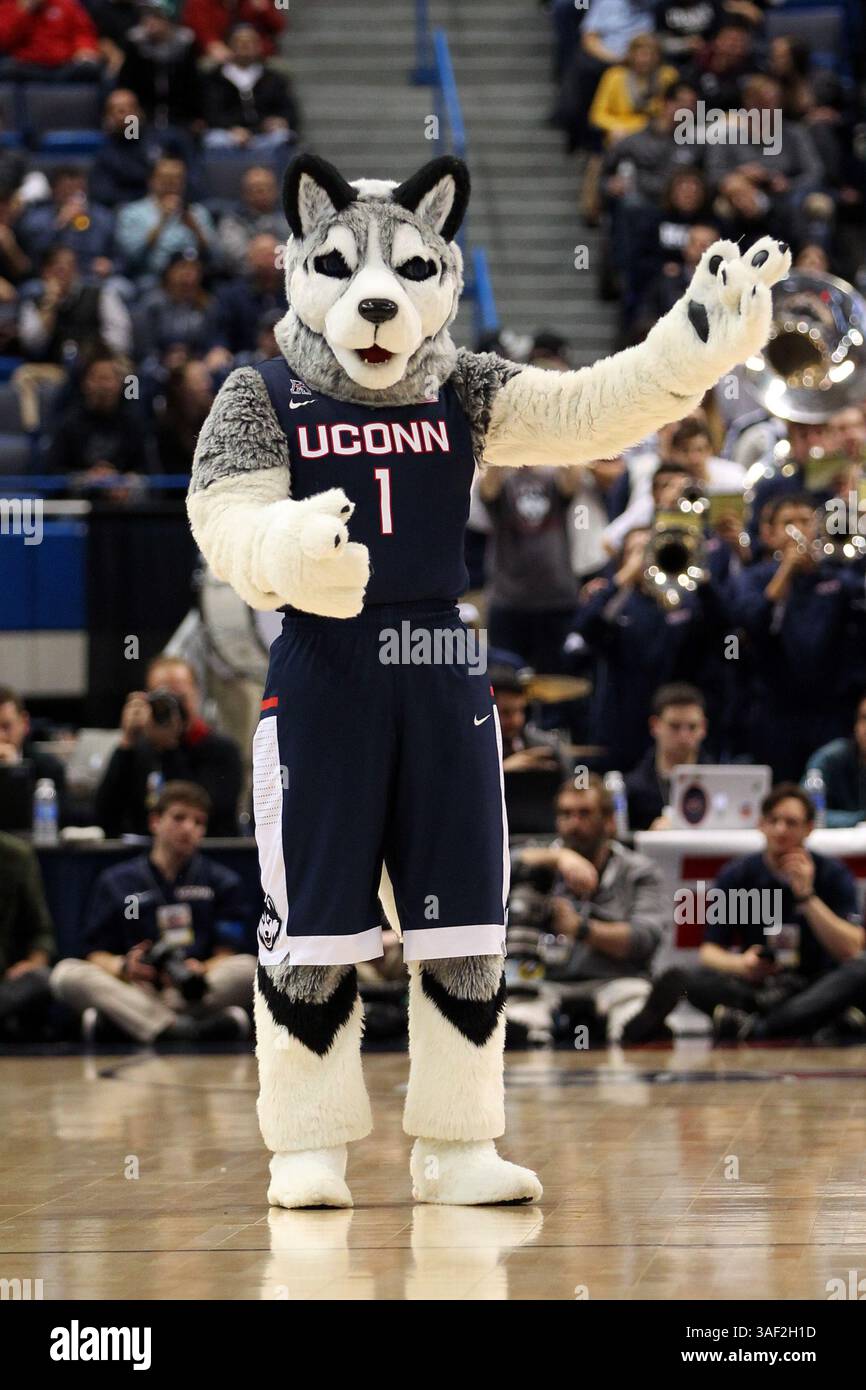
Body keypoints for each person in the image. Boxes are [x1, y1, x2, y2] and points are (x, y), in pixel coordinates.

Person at [622, 784, 863, 1043]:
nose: (781, 830)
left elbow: (851, 949)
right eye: (774, 821)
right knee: (681, 977)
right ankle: (792, 1024)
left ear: (809, 828)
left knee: (860, 971)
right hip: (757, 989)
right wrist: (743, 965)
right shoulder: (738, 875)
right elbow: (709, 952)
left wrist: (807, 896)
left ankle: (760, 1028)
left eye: (791, 823)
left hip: (814, 985)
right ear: (761, 825)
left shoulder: (832, 875)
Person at [51, 781, 255, 1044]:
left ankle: (132, 1026)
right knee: (66, 974)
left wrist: (200, 968)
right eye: (179, 818)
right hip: (135, 987)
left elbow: (225, 954)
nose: (189, 828)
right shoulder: (117, 881)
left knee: (250, 968)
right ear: (155, 822)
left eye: (198, 822)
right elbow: (95, 953)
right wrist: (124, 966)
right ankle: (185, 1029)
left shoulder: (222, 882)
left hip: (191, 989)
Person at [510, 774, 666, 1039]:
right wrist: (559, 857)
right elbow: (501, 866)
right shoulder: (540, 862)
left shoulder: (639, 871)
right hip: (546, 983)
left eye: (584, 814)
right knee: (523, 1017)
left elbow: (644, 940)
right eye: (566, 814)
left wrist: (581, 929)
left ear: (609, 821)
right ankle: (522, 1029)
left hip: (615, 980)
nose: (574, 824)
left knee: (633, 1007)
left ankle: (638, 1026)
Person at [734, 493, 864, 780]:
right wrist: (787, 571)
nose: (797, 530)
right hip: (775, 713)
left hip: (830, 711)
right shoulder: (755, 577)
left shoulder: (836, 574)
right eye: (788, 523)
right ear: (769, 534)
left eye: (805, 521)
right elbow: (750, 622)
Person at [95, 654, 242, 837]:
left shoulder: (222, 750)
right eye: (163, 700)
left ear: (197, 694)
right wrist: (127, 742)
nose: (173, 708)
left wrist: (169, 748)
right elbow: (104, 816)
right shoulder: (140, 750)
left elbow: (200, 812)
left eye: (180, 697)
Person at [479, 464, 580, 674]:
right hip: (508, 601)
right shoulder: (501, 479)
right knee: (506, 679)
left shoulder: (553, 476)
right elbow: (487, 490)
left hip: (556, 599)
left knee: (556, 683)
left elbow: (571, 482)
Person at [45, 351, 153, 491]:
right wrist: (87, 479)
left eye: (108, 379)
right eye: (97, 379)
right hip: (80, 503)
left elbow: (147, 472)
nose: (103, 386)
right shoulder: (68, 423)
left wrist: (123, 482)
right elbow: (53, 473)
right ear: (85, 384)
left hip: (124, 503)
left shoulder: (133, 423)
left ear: (119, 384)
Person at [18, 245, 132, 364]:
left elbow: (120, 340)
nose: (64, 273)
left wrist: (98, 357)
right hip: (51, 367)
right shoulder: (33, 301)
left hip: (95, 365)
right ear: (45, 272)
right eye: (58, 268)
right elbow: (32, 345)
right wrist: (50, 304)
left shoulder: (100, 294)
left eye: (69, 266)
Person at [201, 23, 299, 150]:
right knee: (213, 139)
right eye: (240, 41)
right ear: (229, 45)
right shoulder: (214, 78)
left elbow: (289, 110)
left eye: (251, 41)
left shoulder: (273, 78)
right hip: (228, 135)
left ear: (259, 46)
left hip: (264, 136)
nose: (245, 46)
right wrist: (232, 129)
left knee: (283, 137)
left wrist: (279, 121)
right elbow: (210, 112)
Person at [116, 157, 217, 280]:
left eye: (177, 178)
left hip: (195, 280)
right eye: (165, 178)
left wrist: (195, 228)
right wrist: (162, 221)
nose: (171, 183)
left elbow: (216, 256)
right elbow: (131, 258)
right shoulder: (132, 212)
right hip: (150, 278)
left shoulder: (198, 212)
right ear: (151, 180)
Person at [625, 683, 708, 830]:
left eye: (692, 727)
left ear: (703, 727)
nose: (684, 736)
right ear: (655, 725)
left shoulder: (720, 782)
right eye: (674, 726)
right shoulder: (632, 789)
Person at [0, 832, 55, 1040]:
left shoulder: (16, 856)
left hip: (4, 984)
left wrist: (34, 962)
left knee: (40, 979)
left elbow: (41, 931)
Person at [17, 167, 115, 278]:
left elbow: (120, 257)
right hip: (48, 278)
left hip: (91, 277)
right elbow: (33, 257)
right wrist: (59, 223)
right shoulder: (35, 220)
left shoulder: (103, 218)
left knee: (120, 286)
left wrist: (110, 266)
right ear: (54, 191)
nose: (73, 196)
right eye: (67, 190)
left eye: (78, 190)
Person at [118, 0, 201, 129]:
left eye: (156, 17)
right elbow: (124, 86)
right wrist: (132, 118)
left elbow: (194, 88)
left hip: (180, 119)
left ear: (169, 20)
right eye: (146, 16)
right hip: (140, 119)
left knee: (186, 141)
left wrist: (197, 118)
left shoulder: (186, 46)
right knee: (129, 134)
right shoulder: (134, 45)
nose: (150, 21)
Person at [213, 233, 286, 355]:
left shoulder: (295, 293)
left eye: (273, 255)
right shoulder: (232, 296)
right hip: (246, 359)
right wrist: (219, 349)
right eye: (262, 255)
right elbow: (220, 332)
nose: (268, 261)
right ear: (250, 259)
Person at [802, 693, 866, 828]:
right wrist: (861, 818)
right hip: (833, 845)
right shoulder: (829, 759)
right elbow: (808, 813)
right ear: (856, 725)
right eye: (864, 718)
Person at [491, 667, 570, 774]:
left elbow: (570, 786)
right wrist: (504, 770)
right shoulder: (476, 750)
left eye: (521, 710)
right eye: (506, 712)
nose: (516, 720)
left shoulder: (546, 746)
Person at [0, 0, 100, 78]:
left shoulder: (65, 4)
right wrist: (23, 11)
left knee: (92, 70)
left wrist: (84, 48)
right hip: (24, 67)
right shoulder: (9, 5)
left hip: (63, 67)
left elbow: (83, 32)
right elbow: (4, 41)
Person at [217, 165, 286, 273]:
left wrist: (268, 250)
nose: (261, 191)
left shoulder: (291, 219)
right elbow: (233, 254)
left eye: (266, 187)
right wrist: (267, 255)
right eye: (255, 188)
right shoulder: (232, 220)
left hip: (286, 277)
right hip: (245, 279)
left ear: (276, 191)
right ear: (245, 194)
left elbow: (300, 249)